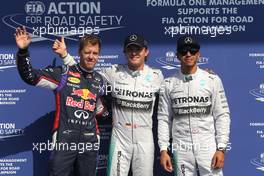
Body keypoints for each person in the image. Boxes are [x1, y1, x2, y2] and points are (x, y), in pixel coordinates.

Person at [54, 34, 164, 176]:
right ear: (124, 52)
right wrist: (65, 56)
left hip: (145, 139)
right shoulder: (113, 72)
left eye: (138, 49)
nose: (134, 53)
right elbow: (85, 75)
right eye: (130, 49)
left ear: (146, 51)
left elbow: (174, 92)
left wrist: (200, 76)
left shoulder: (157, 76)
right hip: (120, 138)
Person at [15, 26, 105, 176]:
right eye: (87, 52)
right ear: (79, 53)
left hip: (89, 146)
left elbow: (99, 109)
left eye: (95, 53)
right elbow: (30, 76)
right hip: (64, 143)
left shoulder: (99, 80)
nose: (91, 56)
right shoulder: (63, 74)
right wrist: (23, 51)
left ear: (99, 55)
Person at [158, 36, 231, 176]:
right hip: (181, 146)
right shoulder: (168, 83)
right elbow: (164, 118)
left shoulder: (212, 80)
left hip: (207, 145)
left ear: (199, 54)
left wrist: (221, 148)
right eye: (184, 50)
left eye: (192, 50)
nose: (188, 54)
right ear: (177, 55)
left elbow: (222, 115)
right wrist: (163, 150)